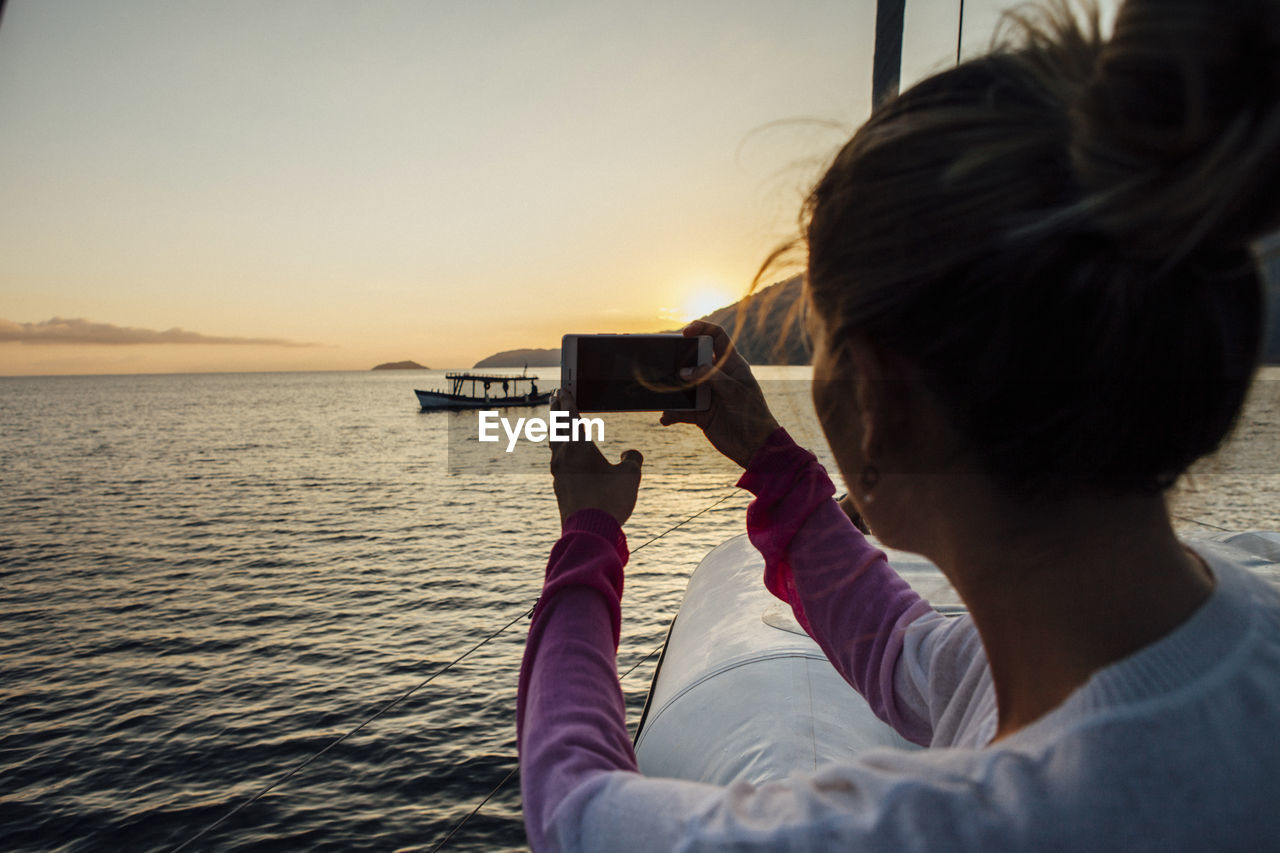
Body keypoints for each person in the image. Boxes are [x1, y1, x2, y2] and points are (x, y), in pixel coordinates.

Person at [517, 0, 1280, 849]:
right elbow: (904, 652)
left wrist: (589, 532)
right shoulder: (1213, 642)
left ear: (876, 399)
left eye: (823, 339)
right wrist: (770, 460)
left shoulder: (933, 828)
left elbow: (574, 810)